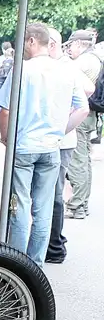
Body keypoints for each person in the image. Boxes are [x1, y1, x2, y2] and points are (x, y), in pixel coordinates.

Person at [0, 22, 89, 267]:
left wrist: (6, 137)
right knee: (44, 209)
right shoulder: (66, 71)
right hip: (51, 148)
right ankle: (35, 265)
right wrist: (60, 131)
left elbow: (4, 111)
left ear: (32, 41)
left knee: (20, 206)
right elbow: (83, 107)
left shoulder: (22, 70)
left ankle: (16, 265)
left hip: (24, 146)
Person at [46, 27, 95, 263]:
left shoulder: (65, 66)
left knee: (53, 192)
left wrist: (63, 123)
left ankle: (54, 244)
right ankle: (53, 243)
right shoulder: (65, 66)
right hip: (60, 136)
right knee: (51, 192)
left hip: (60, 138)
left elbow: (89, 91)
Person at [65, 29, 102, 219]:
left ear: (79, 44)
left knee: (77, 160)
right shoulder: (96, 59)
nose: (69, 49)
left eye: (71, 45)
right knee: (85, 160)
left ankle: (77, 205)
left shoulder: (83, 62)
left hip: (81, 112)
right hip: (92, 114)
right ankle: (82, 203)